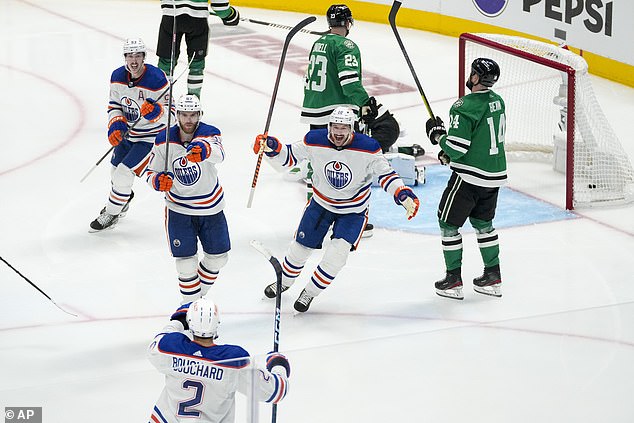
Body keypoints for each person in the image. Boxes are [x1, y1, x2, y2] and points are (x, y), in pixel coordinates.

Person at [253, 107, 420, 313]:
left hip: (353, 211)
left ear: (352, 128)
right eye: (335, 127)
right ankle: (285, 282)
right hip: (321, 204)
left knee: (336, 256)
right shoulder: (314, 139)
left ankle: (309, 293)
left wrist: (401, 192)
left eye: (344, 127)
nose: (339, 132)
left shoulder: (368, 147)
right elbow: (288, 157)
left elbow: (386, 175)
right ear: (329, 126)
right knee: (299, 249)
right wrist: (272, 147)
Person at [299, 4, 402, 237]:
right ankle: (351, 219)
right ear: (348, 22)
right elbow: (349, 83)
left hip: (315, 109)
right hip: (337, 115)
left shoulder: (319, 43)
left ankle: (313, 218)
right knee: (349, 165)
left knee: (317, 164)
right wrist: (365, 103)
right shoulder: (347, 46)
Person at [425, 57, 506, 300]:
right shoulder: (498, 102)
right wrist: (448, 152)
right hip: (493, 176)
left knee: (448, 224)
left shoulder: (463, 105)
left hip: (469, 178)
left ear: (474, 78)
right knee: (484, 225)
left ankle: (453, 280)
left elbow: (457, 147)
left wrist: (438, 137)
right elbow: (478, 139)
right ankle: (493, 276)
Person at [147, 297, 291, 423]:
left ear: (189, 322)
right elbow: (276, 391)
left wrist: (178, 322)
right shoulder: (234, 360)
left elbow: (157, 342)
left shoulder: (172, 347)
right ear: (217, 324)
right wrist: (278, 364)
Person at [145, 94, 230, 303]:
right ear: (177, 114)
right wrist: (156, 181)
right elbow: (150, 171)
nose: (189, 119)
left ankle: (191, 302)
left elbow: (220, 154)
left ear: (199, 115)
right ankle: (190, 308)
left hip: (211, 208)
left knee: (219, 258)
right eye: (184, 114)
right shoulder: (164, 139)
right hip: (179, 209)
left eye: (193, 115)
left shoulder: (209, 133)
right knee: (185, 264)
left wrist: (205, 151)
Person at [89, 38, 170, 232]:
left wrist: (157, 112)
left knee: (124, 173)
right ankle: (123, 200)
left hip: (151, 137)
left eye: (138, 56)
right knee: (115, 172)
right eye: (130, 56)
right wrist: (115, 125)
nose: (134, 61)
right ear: (125, 57)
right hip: (128, 135)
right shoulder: (117, 76)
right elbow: (114, 105)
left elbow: (172, 116)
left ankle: (112, 213)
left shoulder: (157, 78)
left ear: (144, 57)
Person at [156, 0, 240, 98]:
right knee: (196, 65)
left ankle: (161, 101)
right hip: (197, 21)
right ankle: (193, 105)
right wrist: (232, 16)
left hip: (170, 19)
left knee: (166, 63)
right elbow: (221, 8)